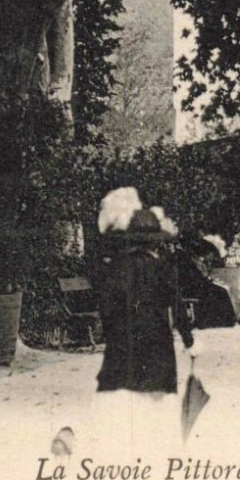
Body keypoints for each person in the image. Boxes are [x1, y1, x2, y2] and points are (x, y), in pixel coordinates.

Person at [93, 188, 193, 449]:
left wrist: (113, 331)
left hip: (124, 342)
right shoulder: (162, 266)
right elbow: (177, 304)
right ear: (156, 241)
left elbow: (107, 307)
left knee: (122, 397)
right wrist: (189, 340)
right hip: (157, 341)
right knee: (156, 400)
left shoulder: (115, 267)